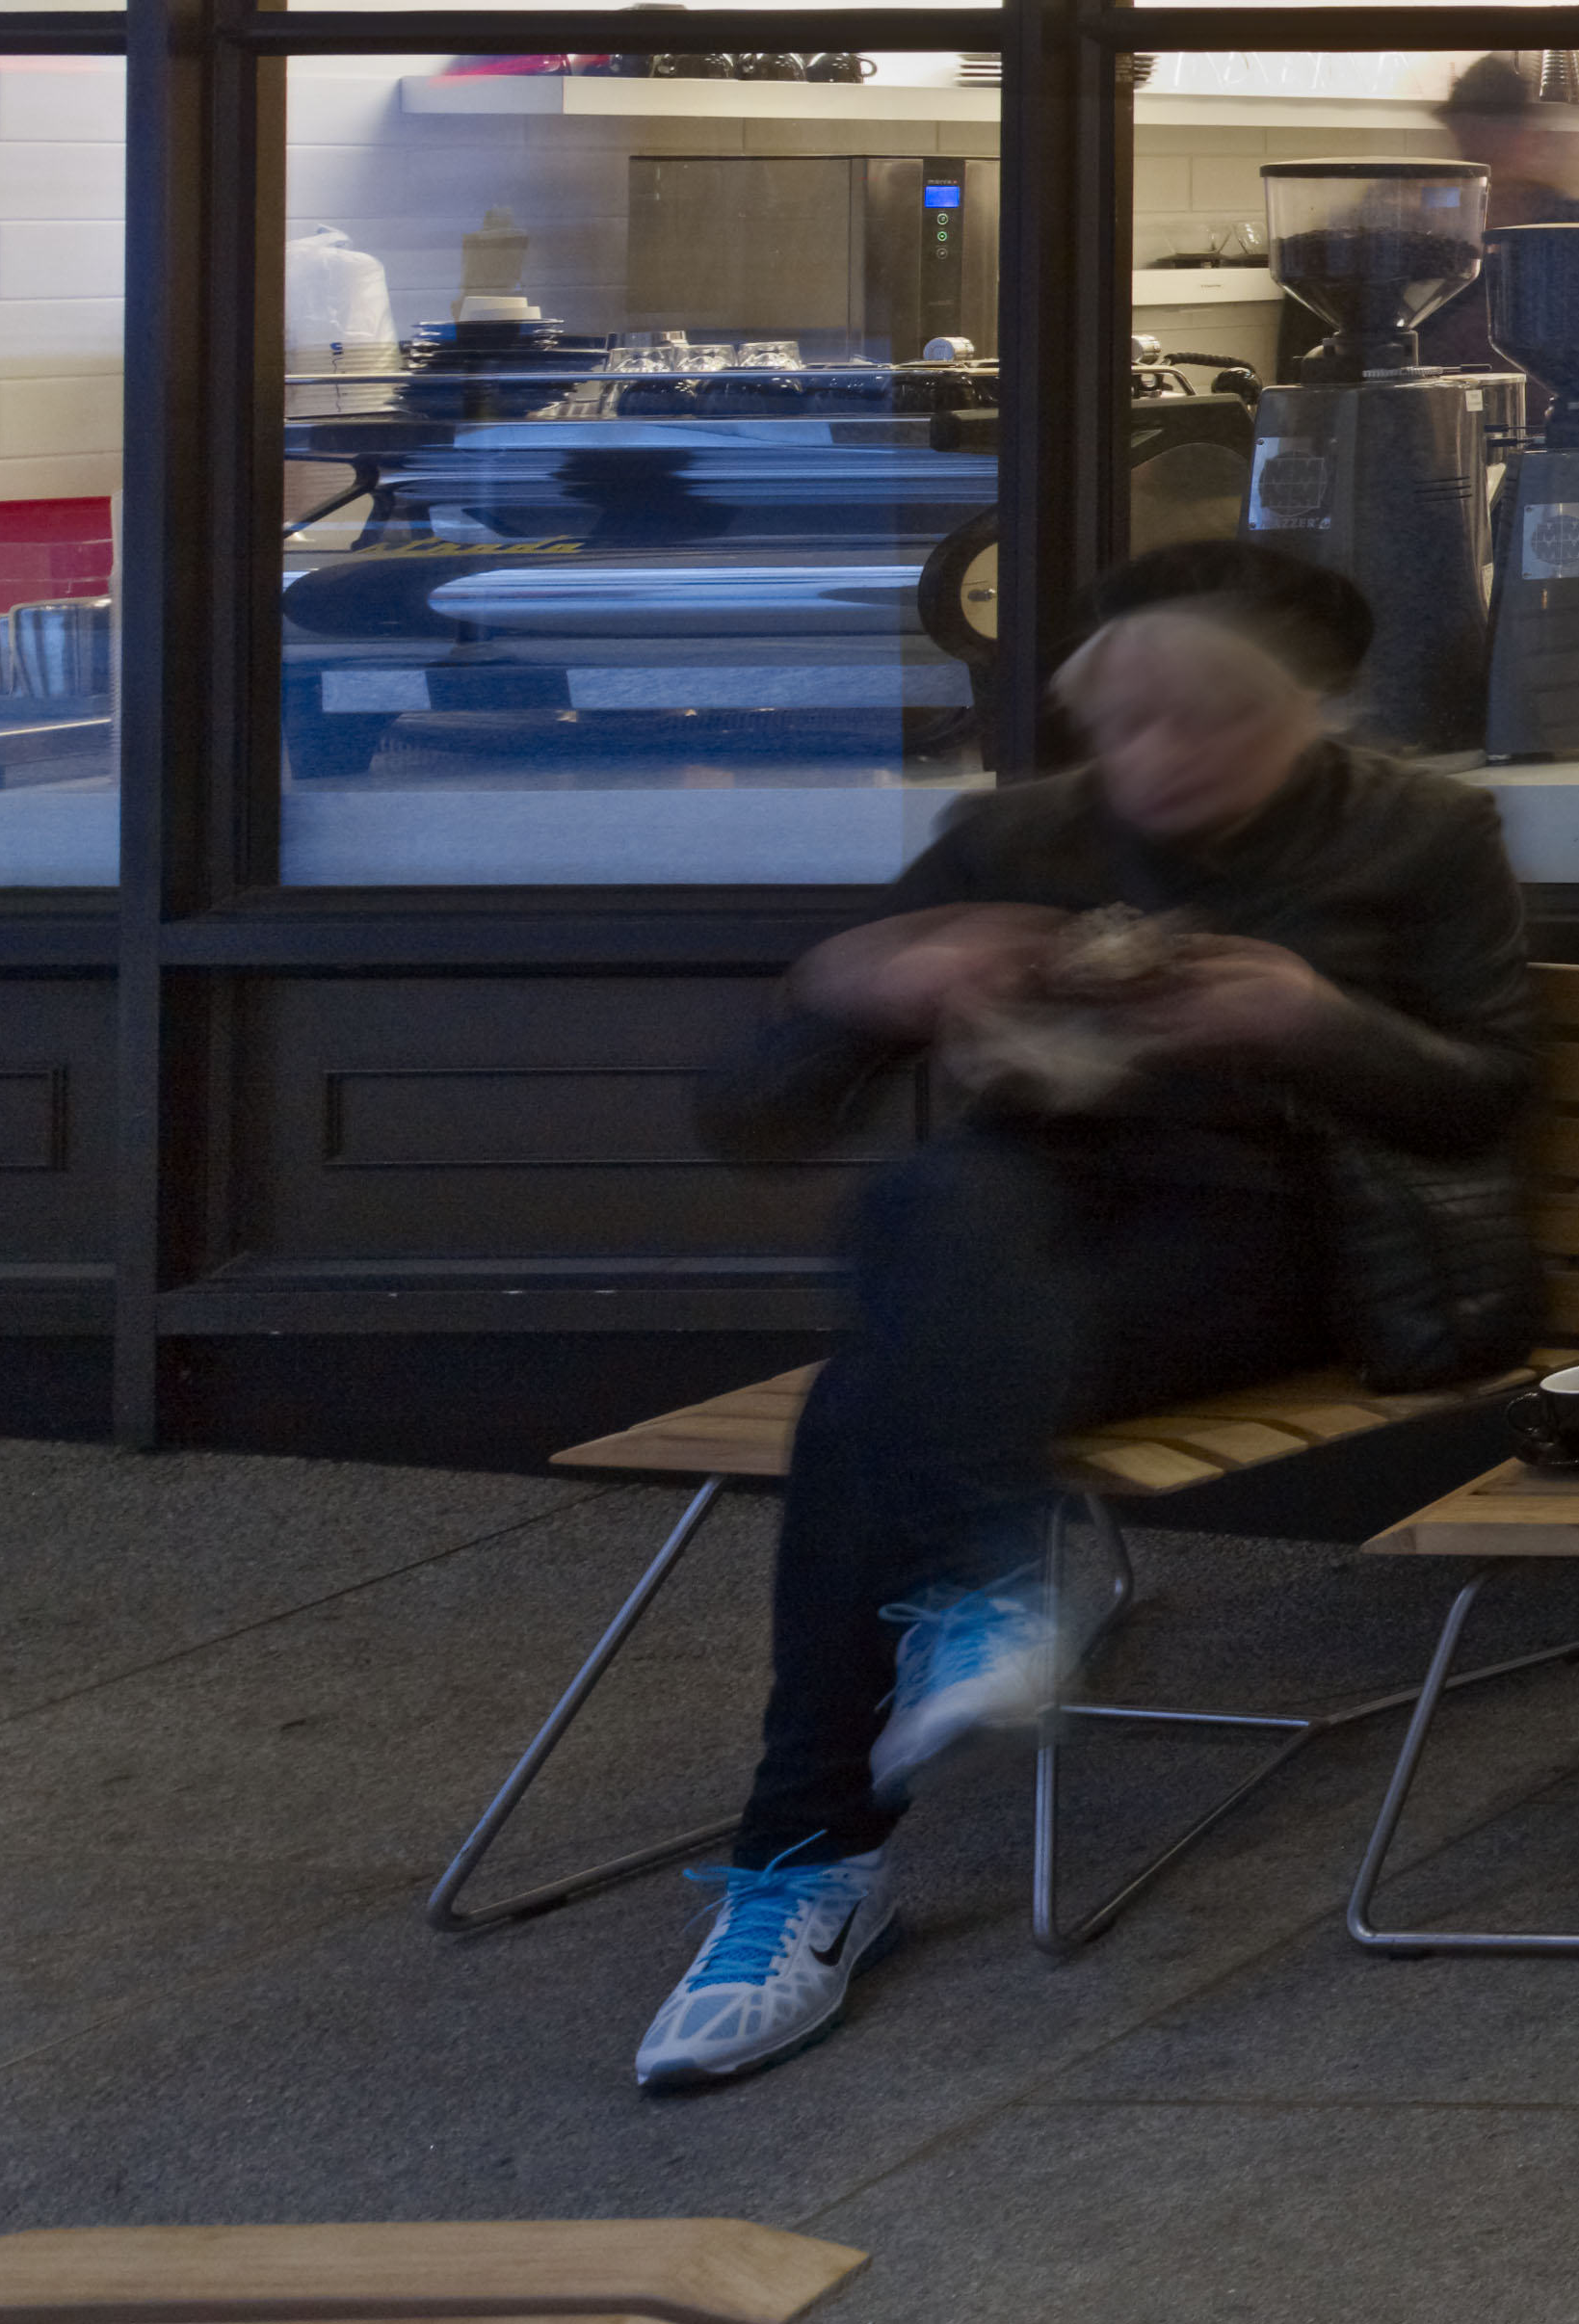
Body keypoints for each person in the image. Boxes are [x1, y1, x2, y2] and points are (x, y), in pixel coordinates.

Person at [639, 541, 1530, 2092]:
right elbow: (756, 1112)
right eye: (1130, 724)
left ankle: (812, 1865)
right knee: (938, 1208)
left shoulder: (1420, 835)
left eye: (1212, 722)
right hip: (1012, 1245)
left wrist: (1310, 1018)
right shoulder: (1017, 837)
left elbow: (1484, 1105)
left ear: (1309, 713)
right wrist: (863, 984)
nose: (1162, 761)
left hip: (1267, 1250)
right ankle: (977, 1607)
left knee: (874, 1392)